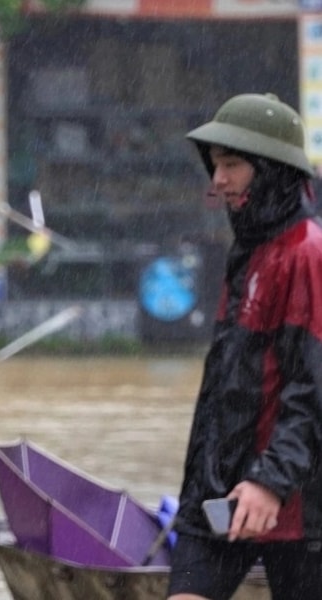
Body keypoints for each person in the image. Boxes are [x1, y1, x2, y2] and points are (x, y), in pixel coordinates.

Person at [166, 93, 322, 600]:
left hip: (294, 504)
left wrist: (270, 481)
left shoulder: (307, 255)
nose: (218, 181)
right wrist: (198, 489)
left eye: (231, 165)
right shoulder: (248, 251)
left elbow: (312, 391)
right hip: (219, 496)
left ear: (272, 170)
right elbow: (224, 389)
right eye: (215, 167)